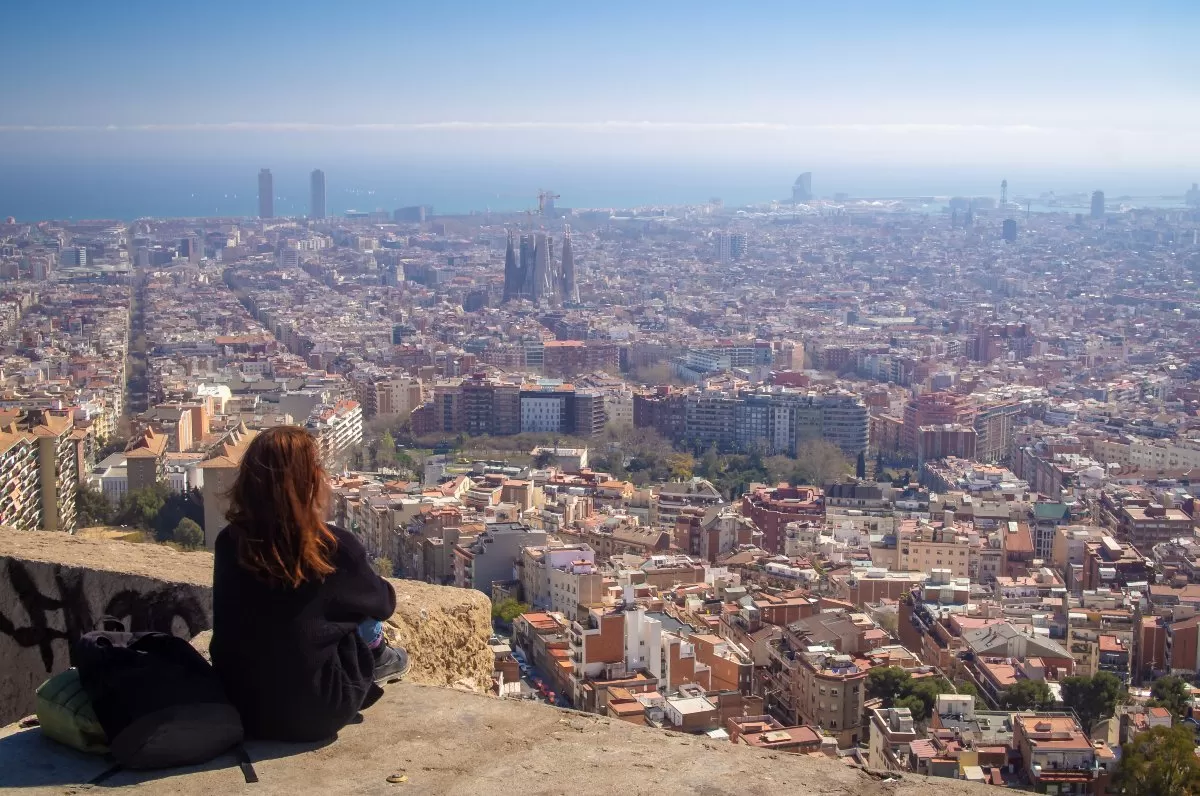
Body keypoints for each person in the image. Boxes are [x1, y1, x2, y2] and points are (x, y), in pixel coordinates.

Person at [210, 426, 408, 742]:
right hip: (318, 709)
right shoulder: (333, 546)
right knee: (359, 612)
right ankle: (381, 658)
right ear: (309, 481)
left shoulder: (229, 543)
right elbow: (383, 604)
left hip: (241, 705)